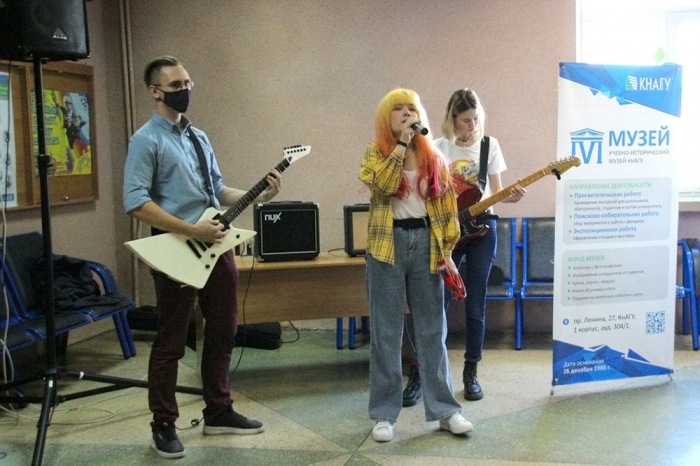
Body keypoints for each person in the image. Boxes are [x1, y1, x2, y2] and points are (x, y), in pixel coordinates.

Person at [123, 55, 282, 459]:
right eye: (176, 85)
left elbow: (217, 192)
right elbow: (136, 202)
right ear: (154, 91)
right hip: (176, 247)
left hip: (216, 246)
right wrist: (192, 230)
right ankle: (163, 423)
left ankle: (218, 410)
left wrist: (260, 194)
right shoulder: (146, 140)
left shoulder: (199, 137)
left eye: (188, 83)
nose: (185, 91)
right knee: (172, 340)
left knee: (224, 330)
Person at [360, 88, 473, 443]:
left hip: (427, 243)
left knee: (432, 330)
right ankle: (384, 415)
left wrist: (447, 252)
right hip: (387, 245)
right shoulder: (375, 153)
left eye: (412, 108)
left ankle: (446, 411)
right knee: (386, 333)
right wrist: (400, 146)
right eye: (399, 109)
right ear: (387, 117)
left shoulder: (433, 156)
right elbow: (382, 184)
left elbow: (448, 206)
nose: (407, 114)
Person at [402, 88, 525, 406]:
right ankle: (420, 373)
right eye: (466, 120)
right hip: (448, 230)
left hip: (483, 228)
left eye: (476, 119)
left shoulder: (489, 146)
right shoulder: (439, 146)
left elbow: (496, 191)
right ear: (452, 119)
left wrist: (509, 197)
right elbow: (429, 191)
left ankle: (471, 373)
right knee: (435, 305)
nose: (472, 125)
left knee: (475, 304)